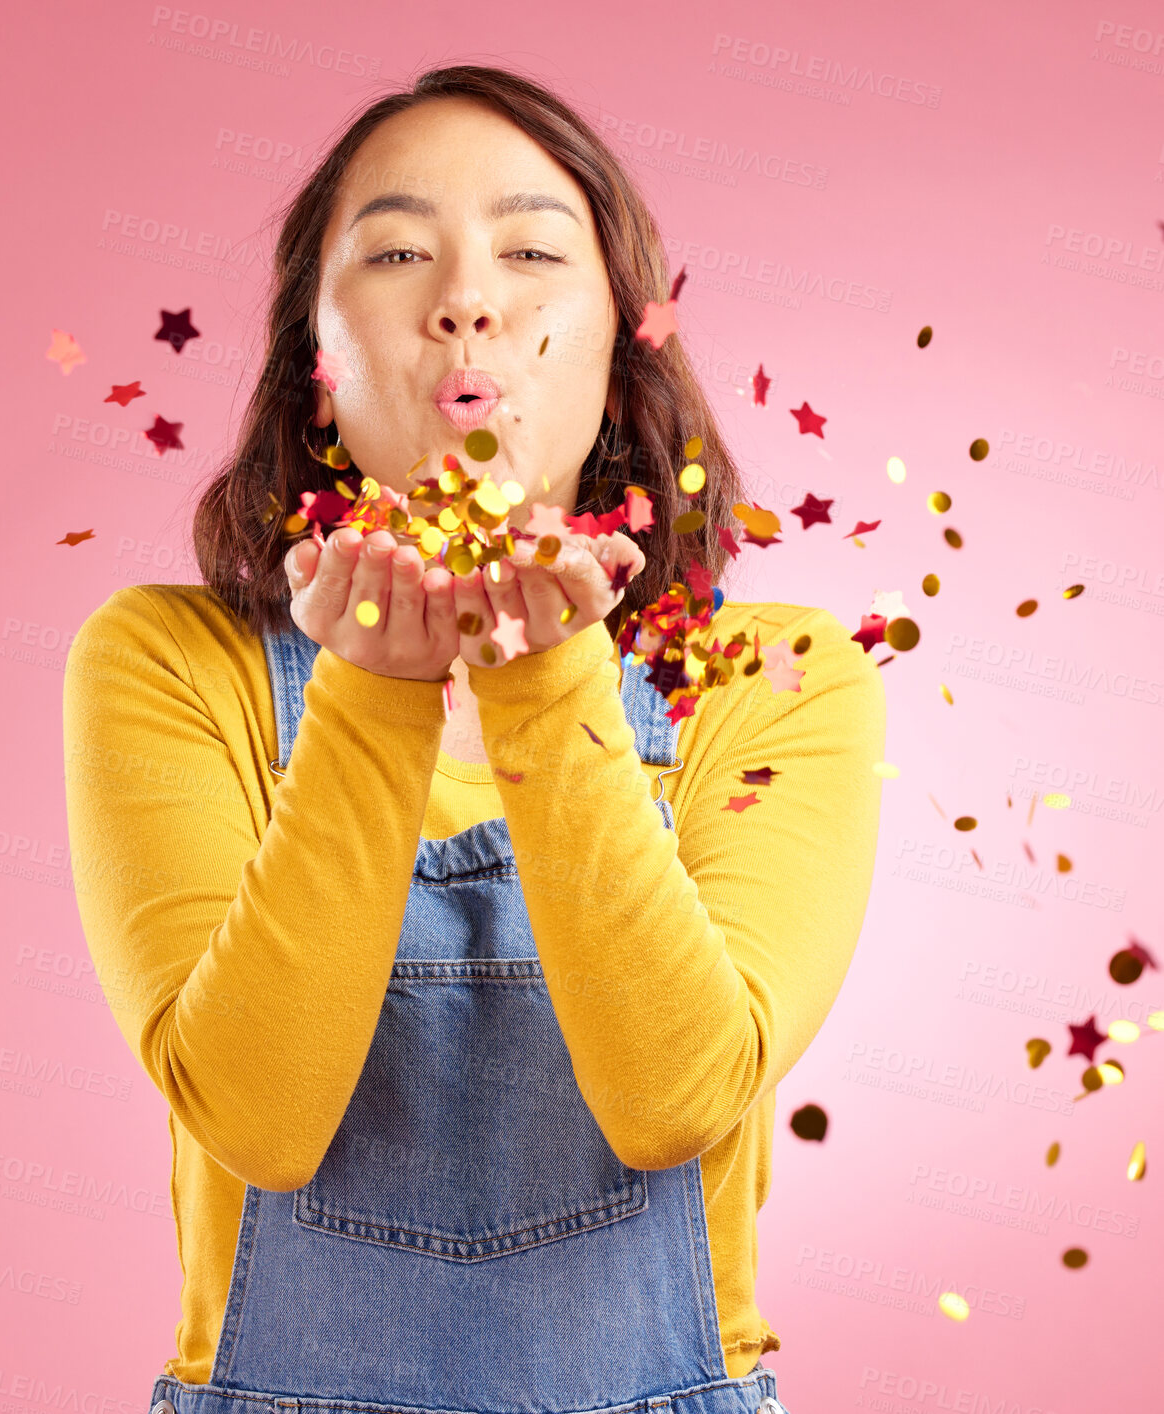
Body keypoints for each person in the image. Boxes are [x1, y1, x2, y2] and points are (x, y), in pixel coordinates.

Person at [63, 63, 884, 1414]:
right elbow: (258, 1118)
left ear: (628, 349)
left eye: (529, 250)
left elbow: (674, 1097)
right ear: (314, 373)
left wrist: (547, 677)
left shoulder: (774, 678)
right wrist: (375, 694)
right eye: (395, 251)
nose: (465, 298)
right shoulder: (166, 662)